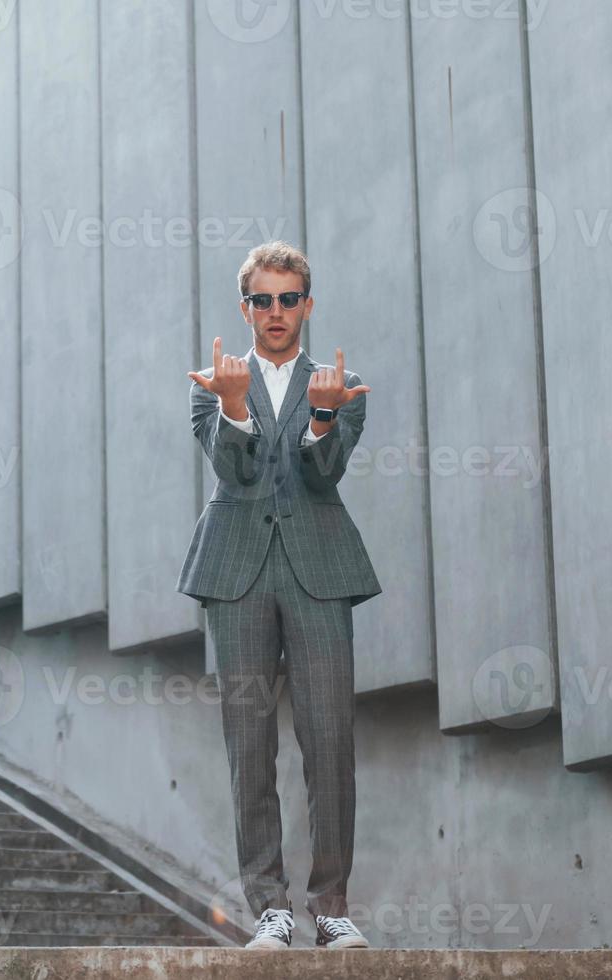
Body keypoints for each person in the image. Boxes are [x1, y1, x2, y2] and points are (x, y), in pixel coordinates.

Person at [178, 241, 382, 950]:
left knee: (330, 738)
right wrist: (233, 407)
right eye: (261, 300)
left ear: (307, 305)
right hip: (235, 572)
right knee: (248, 743)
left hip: (318, 570)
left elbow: (324, 477)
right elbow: (231, 476)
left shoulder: (341, 384)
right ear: (246, 308)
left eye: (287, 299)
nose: (274, 312)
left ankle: (330, 907)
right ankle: (269, 906)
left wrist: (324, 420)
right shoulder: (213, 382)